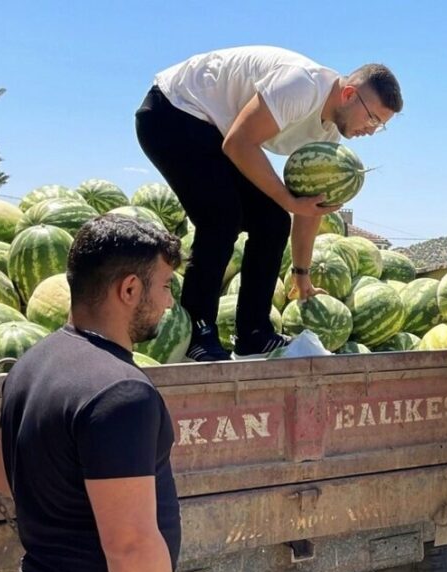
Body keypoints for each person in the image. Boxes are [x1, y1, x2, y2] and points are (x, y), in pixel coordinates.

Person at [0, 216, 191, 572]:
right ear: (129, 290)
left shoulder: (30, 364)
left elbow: (3, 476)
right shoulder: (121, 391)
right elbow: (132, 549)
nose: (168, 302)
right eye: (163, 286)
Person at [135, 45, 403, 361]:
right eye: (371, 118)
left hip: (212, 130)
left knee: (273, 222)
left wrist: (301, 273)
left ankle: (254, 333)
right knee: (221, 218)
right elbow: (238, 142)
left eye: (379, 126)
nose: (370, 131)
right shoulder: (302, 86)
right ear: (348, 95)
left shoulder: (328, 135)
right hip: (173, 111)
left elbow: (308, 206)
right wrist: (283, 196)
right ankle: (198, 331)